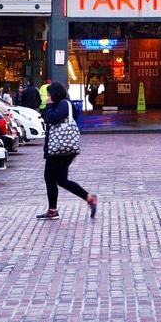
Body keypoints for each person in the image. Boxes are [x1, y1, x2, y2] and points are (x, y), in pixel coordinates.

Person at [38, 81, 97, 220]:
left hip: (62, 149)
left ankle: (89, 198)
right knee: (49, 177)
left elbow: (51, 119)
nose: (48, 96)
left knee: (61, 180)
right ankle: (52, 210)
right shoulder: (58, 105)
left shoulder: (64, 104)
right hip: (55, 149)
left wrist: (48, 105)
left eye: (49, 94)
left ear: (55, 94)